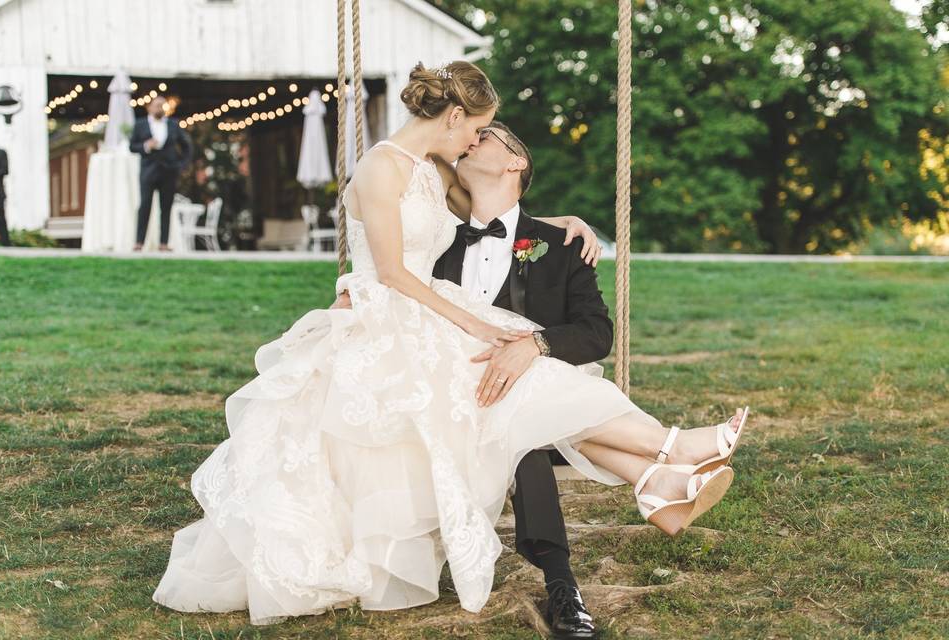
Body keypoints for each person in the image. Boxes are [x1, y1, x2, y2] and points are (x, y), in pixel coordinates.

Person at [152, 62, 750, 629]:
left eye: (488, 137)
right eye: (476, 129)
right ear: (455, 118)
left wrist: (568, 223)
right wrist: (474, 325)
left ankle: (660, 479)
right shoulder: (386, 168)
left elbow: (499, 215)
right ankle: (669, 453)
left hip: (428, 314)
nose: (473, 142)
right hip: (400, 317)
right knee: (515, 394)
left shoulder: (435, 176)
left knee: (528, 390)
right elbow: (389, 271)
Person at [129, 95, 193, 251]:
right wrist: (146, 146)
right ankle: (139, 242)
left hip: (169, 171)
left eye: (162, 105)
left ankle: (164, 243)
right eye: (157, 105)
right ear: (149, 107)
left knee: (166, 208)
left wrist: (181, 165)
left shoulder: (173, 125)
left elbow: (186, 147)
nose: (159, 108)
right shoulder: (140, 125)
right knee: (145, 206)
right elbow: (132, 146)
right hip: (148, 171)